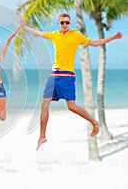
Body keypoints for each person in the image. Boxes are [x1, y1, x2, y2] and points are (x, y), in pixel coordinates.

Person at [20, 13, 123, 150]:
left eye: (66, 22)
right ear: (58, 23)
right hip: (53, 75)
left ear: (70, 23)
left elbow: (93, 43)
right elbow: (38, 33)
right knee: (44, 104)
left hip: (67, 76)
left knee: (72, 106)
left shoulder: (76, 36)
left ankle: (95, 122)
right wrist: (24, 27)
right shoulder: (54, 35)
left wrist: (112, 38)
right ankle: (42, 136)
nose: (64, 25)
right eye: (62, 22)